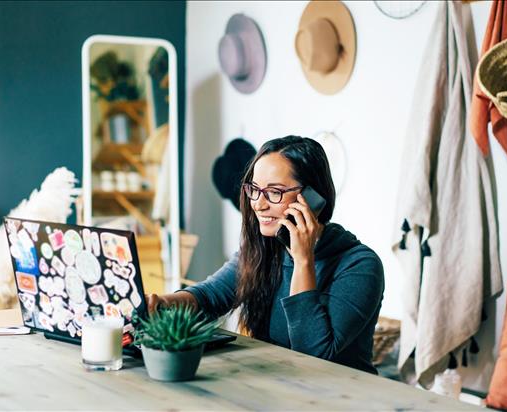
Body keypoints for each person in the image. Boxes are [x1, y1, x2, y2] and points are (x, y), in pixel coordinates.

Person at [147, 135, 384, 374]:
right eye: (254, 190)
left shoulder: (360, 265)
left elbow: (313, 357)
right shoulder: (264, 250)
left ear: (313, 198)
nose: (258, 204)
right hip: (279, 390)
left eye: (274, 192)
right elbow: (209, 297)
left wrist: (303, 261)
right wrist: (161, 304)